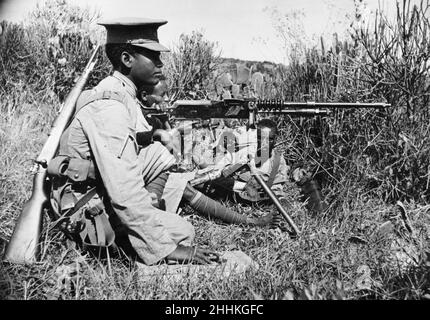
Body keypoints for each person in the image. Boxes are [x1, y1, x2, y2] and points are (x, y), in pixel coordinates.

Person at [48, 18, 273, 266]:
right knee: (182, 232)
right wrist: (165, 248)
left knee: (159, 151)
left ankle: (147, 213)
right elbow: (123, 191)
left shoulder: (116, 90)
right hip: (84, 204)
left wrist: (149, 136)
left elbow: (115, 146)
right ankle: (131, 235)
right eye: (153, 57)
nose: (160, 64)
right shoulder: (110, 108)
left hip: (94, 185)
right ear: (127, 59)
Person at [193, 119, 328, 215]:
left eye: (269, 139)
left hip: (259, 199)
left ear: (275, 139)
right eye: (260, 138)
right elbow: (218, 177)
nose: (264, 143)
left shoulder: (277, 161)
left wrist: (281, 200)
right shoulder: (240, 154)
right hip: (232, 197)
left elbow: (276, 187)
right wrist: (243, 186)